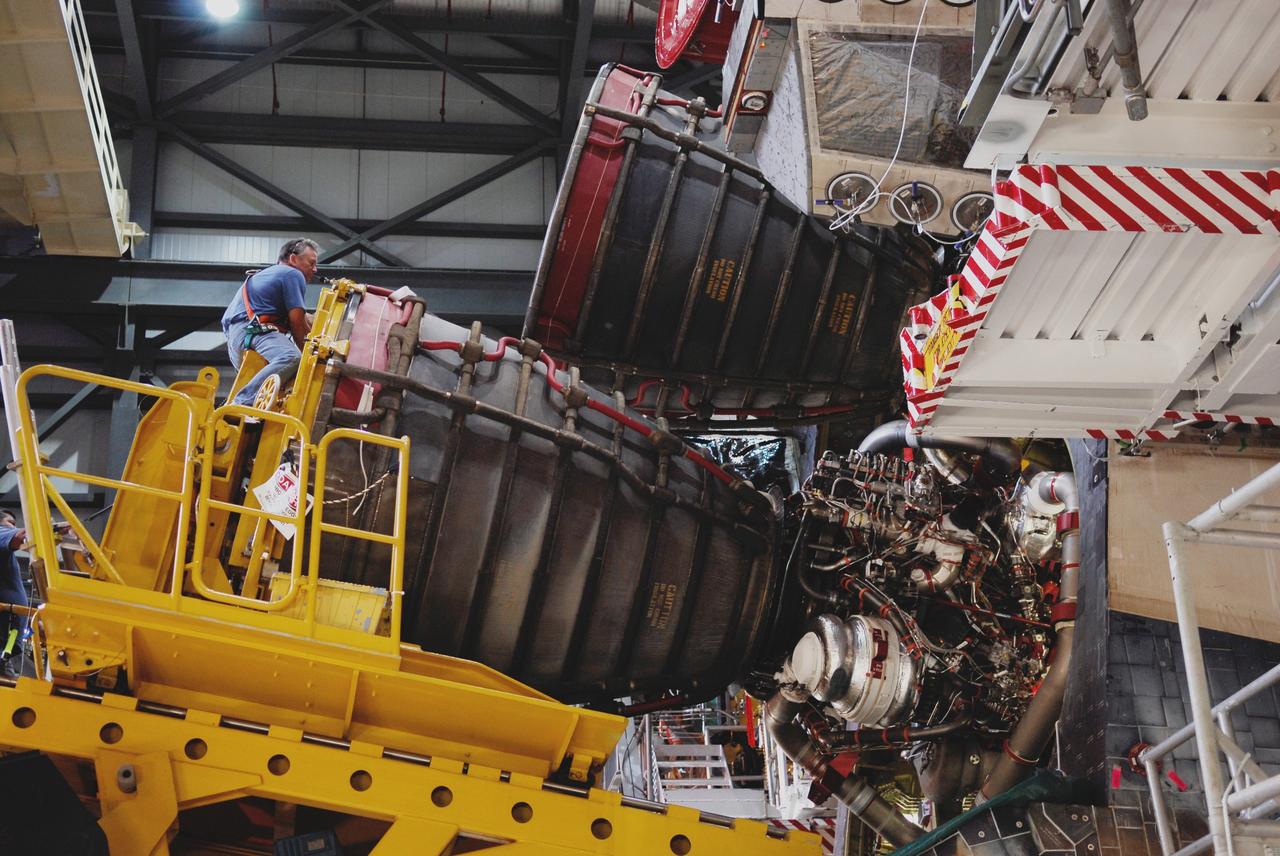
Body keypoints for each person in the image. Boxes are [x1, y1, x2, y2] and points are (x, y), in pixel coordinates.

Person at [222, 237, 319, 408]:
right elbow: (298, 325)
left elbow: (299, 318)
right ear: (293, 259)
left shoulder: (267, 275)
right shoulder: (292, 274)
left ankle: (248, 410)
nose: (315, 269)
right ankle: (242, 402)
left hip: (237, 340)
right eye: (311, 263)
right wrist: (311, 362)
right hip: (253, 332)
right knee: (291, 357)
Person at [0, 509, 28, 680]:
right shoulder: (1, 531)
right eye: (10, 522)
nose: (12, 527)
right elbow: (20, 536)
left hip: (6, 641)